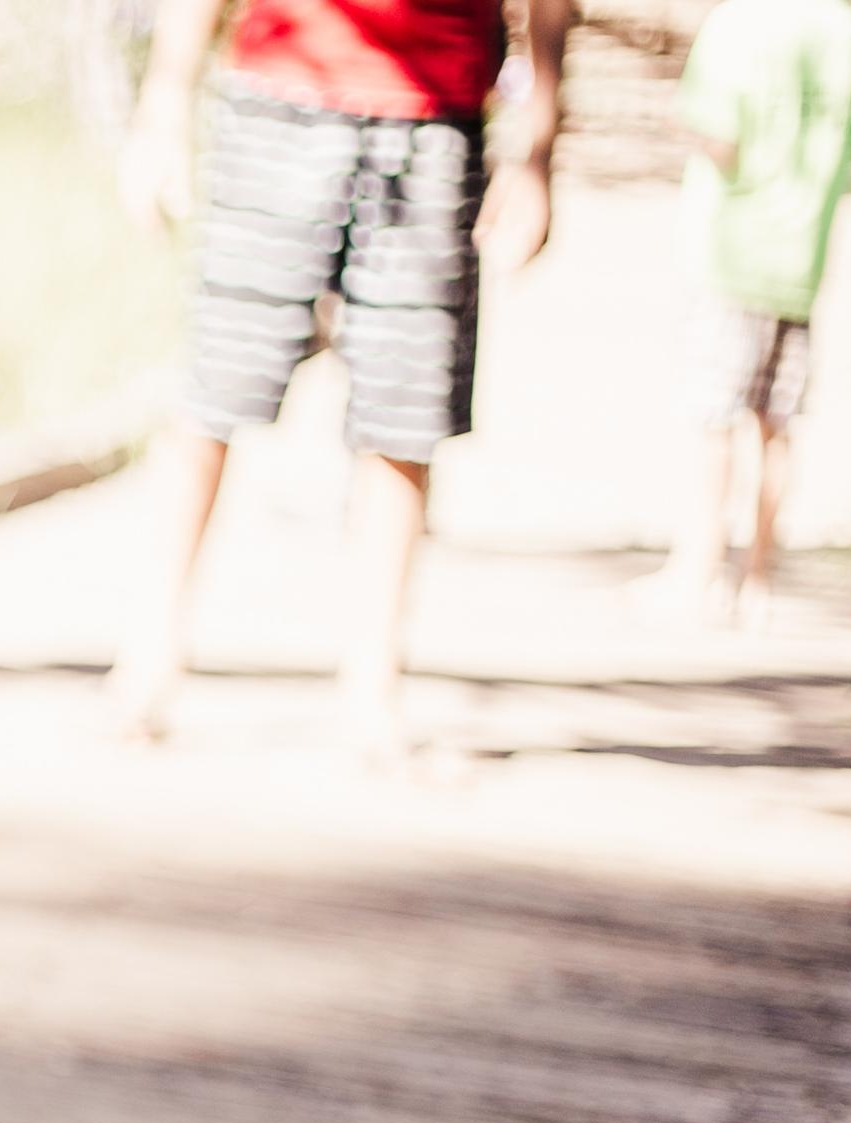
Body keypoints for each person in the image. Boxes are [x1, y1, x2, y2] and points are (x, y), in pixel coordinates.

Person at [106, 0, 572, 758]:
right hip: (275, 101)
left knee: (405, 414)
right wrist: (163, 105)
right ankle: (148, 660)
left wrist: (540, 144)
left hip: (437, 112)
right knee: (213, 391)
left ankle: (372, 690)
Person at [656, 0, 851, 620]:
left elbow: (721, 138)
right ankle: (759, 577)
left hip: (729, 255)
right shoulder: (848, 29)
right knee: (777, 421)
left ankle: (696, 572)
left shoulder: (736, 24)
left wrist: (678, 121)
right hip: (803, 257)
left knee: (713, 415)